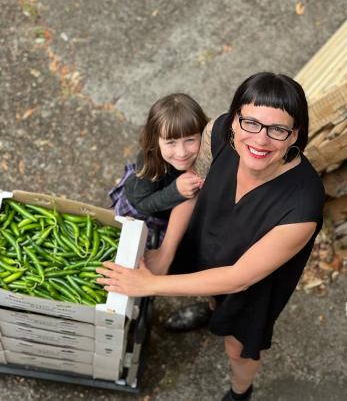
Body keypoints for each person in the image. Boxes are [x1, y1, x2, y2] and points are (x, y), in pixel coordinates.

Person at [97, 72, 325, 401]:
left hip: (251, 285)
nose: (260, 141)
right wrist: (166, 252)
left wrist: (149, 285)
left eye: (278, 129)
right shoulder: (216, 132)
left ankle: (240, 393)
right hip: (211, 239)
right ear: (233, 120)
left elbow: (238, 278)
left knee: (238, 349)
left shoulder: (303, 205)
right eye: (250, 123)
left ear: (295, 135)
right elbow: (192, 187)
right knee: (208, 289)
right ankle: (208, 308)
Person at [109, 92, 212, 330]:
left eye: (190, 140)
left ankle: (208, 302)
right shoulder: (150, 160)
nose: (182, 152)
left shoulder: (208, 156)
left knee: (193, 255)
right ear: (156, 141)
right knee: (134, 248)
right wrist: (175, 191)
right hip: (151, 209)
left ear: (203, 135)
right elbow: (142, 203)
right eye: (171, 142)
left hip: (186, 217)